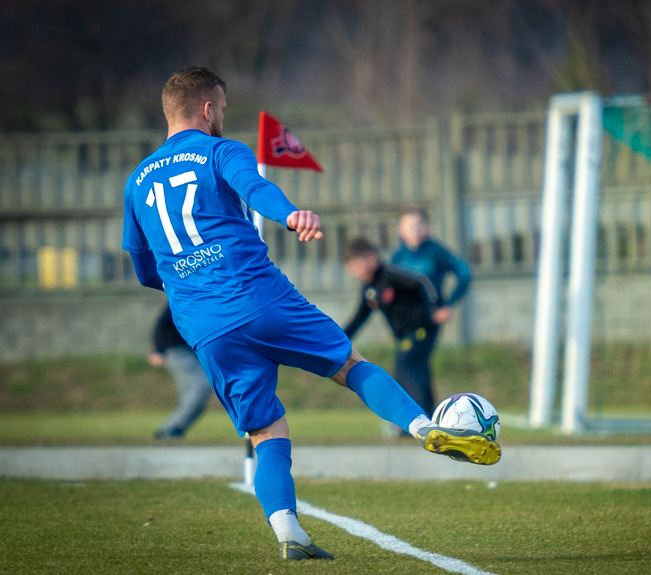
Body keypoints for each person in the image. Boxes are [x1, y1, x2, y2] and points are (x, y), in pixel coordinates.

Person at [122, 66, 500, 562]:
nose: (223, 120)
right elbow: (256, 189)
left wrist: (183, 280)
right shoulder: (220, 150)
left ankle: (289, 534)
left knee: (264, 431)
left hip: (203, 324)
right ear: (208, 109)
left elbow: (144, 267)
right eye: (223, 111)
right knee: (350, 365)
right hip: (258, 296)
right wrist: (290, 214)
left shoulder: (136, 180)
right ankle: (423, 427)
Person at [342, 237, 439, 419]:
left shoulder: (391, 275)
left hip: (419, 330)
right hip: (404, 336)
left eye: (356, 265)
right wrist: (338, 339)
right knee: (418, 371)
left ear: (371, 258)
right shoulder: (369, 288)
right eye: (351, 268)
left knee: (404, 368)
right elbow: (359, 317)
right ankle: (430, 418)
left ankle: (414, 419)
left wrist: (436, 306)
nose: (354, 272)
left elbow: (421, 282)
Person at [149, 304, 212, 439]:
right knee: (202, 385)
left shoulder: (196, 299)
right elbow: (161, 324)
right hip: (175, 351)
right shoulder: (180, 298)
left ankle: (175, 430)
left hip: (187, 352)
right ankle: (171, 427)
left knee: (191, 395)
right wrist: (157, 350)